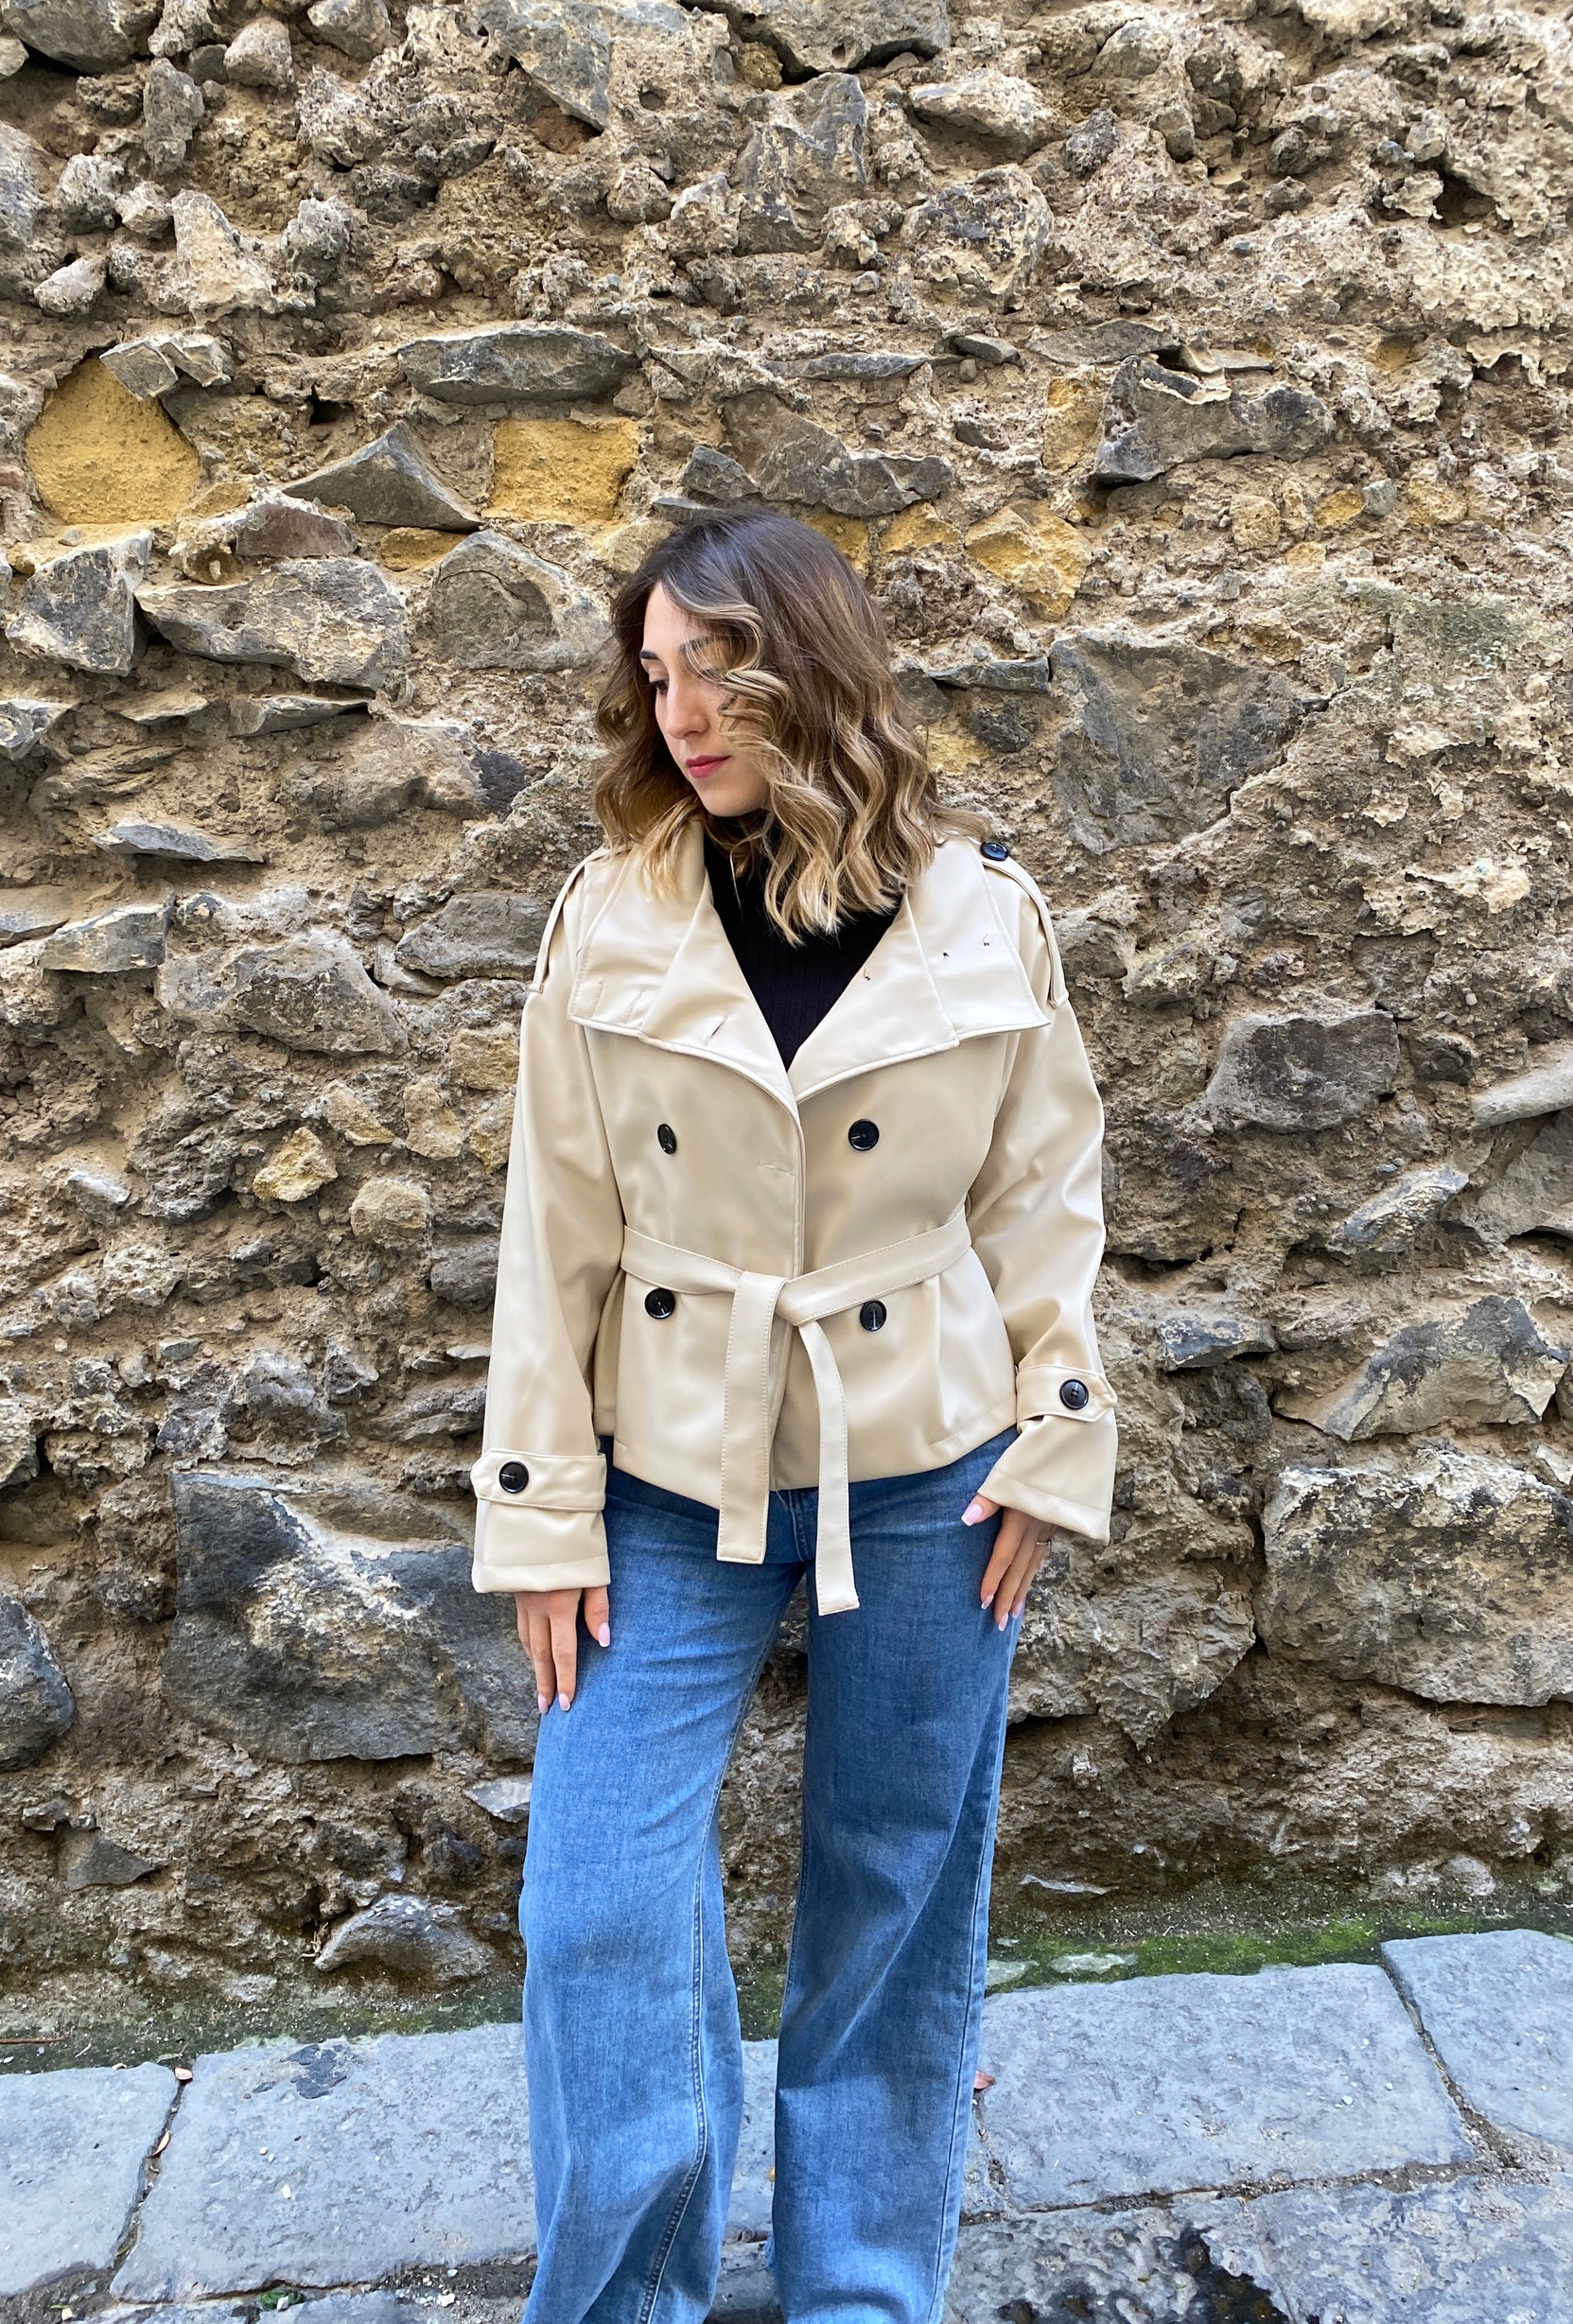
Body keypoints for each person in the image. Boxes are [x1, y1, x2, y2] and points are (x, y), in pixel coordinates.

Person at [468, 507, 1116, 2324]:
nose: (679, 713)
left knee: (896, 1886)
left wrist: (1054, 1435)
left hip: (932, 1461)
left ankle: (861, 2290)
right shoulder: (613, 912)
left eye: (717, 669)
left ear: (809, 670)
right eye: (654, 675)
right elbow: (552, 1228)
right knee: (596, 1899)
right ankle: (627, 2295)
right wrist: (540, 1508)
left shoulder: (985, 913)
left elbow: (1042, 1198)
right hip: (664, 1470)